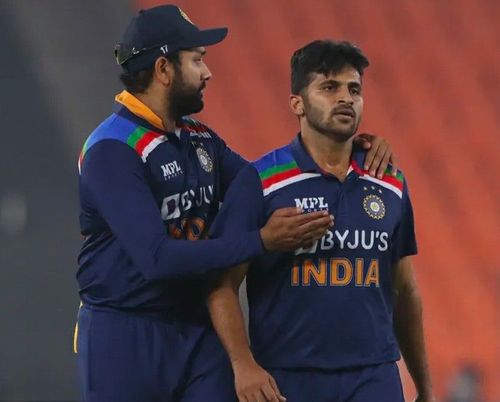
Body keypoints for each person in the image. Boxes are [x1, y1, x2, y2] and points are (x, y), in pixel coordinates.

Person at [75, 5, 397, 402]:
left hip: (198, 330)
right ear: (163, 69)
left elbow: (267, 187)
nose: (207, 73)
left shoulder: (198, 139)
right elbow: (155, 259)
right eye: (197, 61)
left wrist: (351, 149)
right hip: (125, 333)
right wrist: (261, 241)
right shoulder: (112, 148)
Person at [208, 40, 434, 402]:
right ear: (296, 102)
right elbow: (221, 285)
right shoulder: (261, 181)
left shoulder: (390, 183)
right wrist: (243, 365)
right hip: (287, 379)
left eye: (354, 89)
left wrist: (425, 387)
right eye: (329, 87)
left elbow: (405, 290)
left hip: (374, 377)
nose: (345, 97)